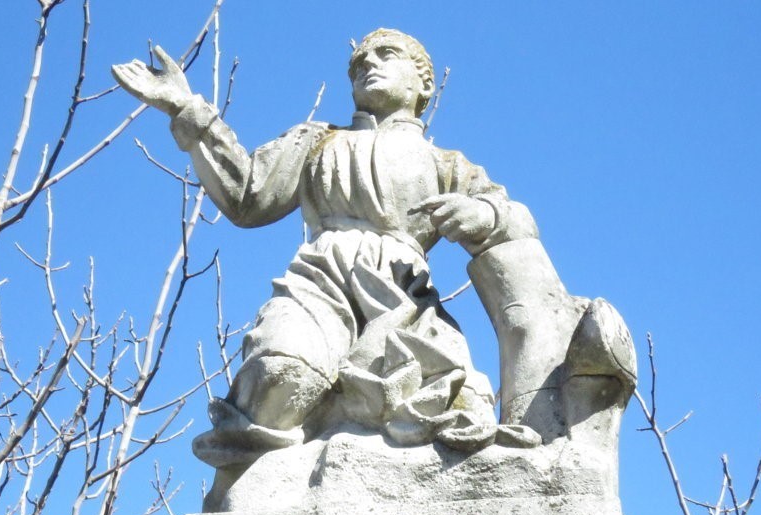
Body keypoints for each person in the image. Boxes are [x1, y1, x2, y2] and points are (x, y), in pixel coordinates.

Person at [113, 29, 540, 474]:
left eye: (386, 54)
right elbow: (246, 194)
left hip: (404, 295)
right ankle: (263, 486)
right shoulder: (317, 141)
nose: (367, 65)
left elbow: (514, 220)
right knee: (278, 375)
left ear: (424, 84)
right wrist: (187, 109)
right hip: (320, 281)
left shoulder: (447, 163)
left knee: (454, 413)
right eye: (358, 64)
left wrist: (484, 214)